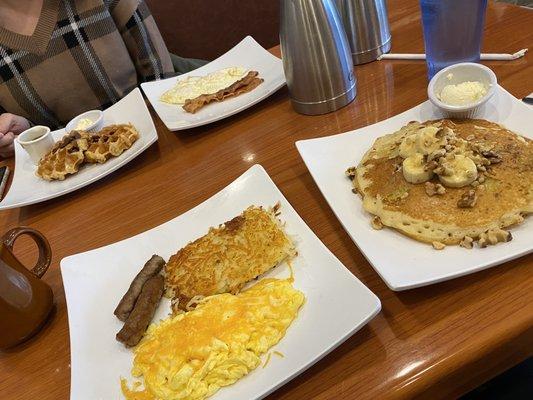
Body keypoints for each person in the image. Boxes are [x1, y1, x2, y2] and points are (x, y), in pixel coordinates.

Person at [0, 0, 184, 158]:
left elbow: (162, 80)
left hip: (154, 145)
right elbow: (26, 141)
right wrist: (25, 134)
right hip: (70, 183)